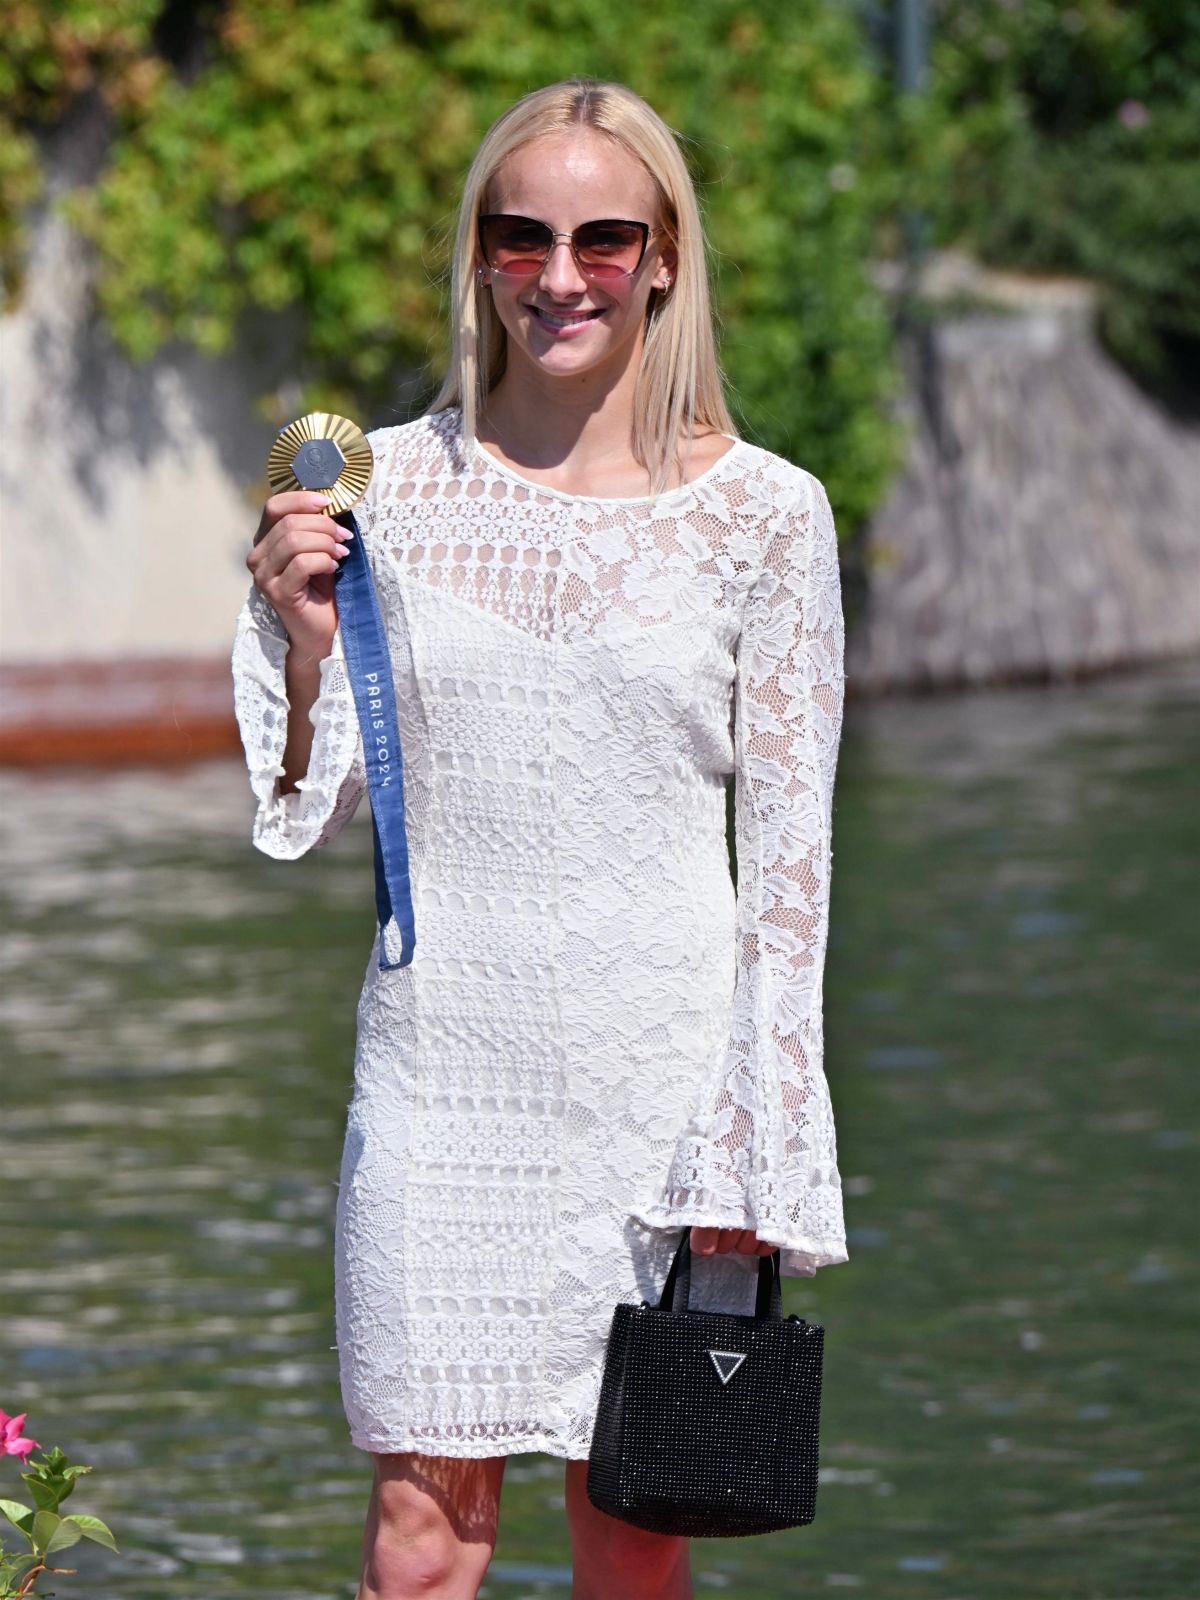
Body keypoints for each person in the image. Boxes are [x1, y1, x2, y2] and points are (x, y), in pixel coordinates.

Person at [233, 75, 848, 1600]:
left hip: (663, 1086)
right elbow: (304, 814)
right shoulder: (378, 490)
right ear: (480, 254)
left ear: (661, 260)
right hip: (442, 1073)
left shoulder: (770, 517)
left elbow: (788, 878)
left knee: (632, 1538)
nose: (556, 276)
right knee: (420, 1541)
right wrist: (301, 638)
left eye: (598, 239)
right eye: (521, 237)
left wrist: (760, 1145)